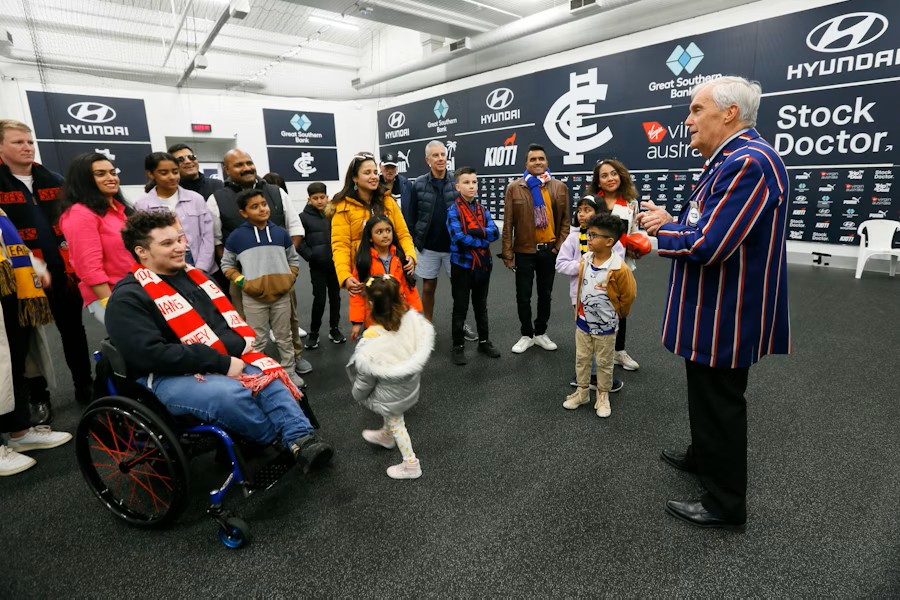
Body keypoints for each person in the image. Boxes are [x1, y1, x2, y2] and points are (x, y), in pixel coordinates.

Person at [637, 76, 790, 530]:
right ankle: (703, 456)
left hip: (727, 312)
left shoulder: (749, 162)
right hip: (711, 308)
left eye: (696, 109)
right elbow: (706, 220)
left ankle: (725, 502)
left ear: (729, 114)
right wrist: (673, 219)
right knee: (702, 390)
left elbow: (711, 244)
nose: (687, 120)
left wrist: (655, 232)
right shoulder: (731, 159)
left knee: (720, 400)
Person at [105, 211, 333, 470]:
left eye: (180, 239)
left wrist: (231, 359)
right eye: (167, 244)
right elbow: (149, 355)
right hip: (164, 376)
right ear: (142, 252)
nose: (180, 247)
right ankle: (274, 439)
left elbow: (227, 328)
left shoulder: (198, 278)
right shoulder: (127, 298)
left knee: (267, 374)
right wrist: (222, 363)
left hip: (222, 358)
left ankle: (301, 440)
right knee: (231, 395)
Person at [0, 119, 93, 419]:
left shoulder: (53, 179)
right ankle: (38, 398)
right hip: (21, 278)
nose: (27, 147)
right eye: (18, 142)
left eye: (29, 141)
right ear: (1, 147)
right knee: (28, 340)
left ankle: (84, 385)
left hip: (63, 273)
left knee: (74, 331)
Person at [207, 149, 310, 375]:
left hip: (280, 278)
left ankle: (295, 359)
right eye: (238, 165)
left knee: (289, 325)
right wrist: (242, 279)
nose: (246, 168)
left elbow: (295, 229)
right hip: (246, 283)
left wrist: (286, 274)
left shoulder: (275, 192)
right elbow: (217, 242)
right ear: (227, 170)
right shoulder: (217, 199)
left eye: (249, 162)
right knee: (250, 330)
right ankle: (256, 370)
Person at [0, 208, 72, 476]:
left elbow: (11, 243)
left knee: (12, 365)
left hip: (11, 292)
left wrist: (36, 267)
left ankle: (19, 432)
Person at [346, 275, 435, 480]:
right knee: (393, 417)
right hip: (407, 385)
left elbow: (366, 378)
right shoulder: (409, 321)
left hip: (391, 392)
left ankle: (411, 464)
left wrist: (358, 394)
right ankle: (387, 435)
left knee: (397, 423)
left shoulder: (372, 339)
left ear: (370, 304)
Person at [221, 189, 304, 387]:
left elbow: (293, 258)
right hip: (253, 298)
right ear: (243, 212)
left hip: (281, 296)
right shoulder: (237, 237)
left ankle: (289, 373)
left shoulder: (280, 233)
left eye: (264, 204)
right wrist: (244, 283)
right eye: (254, 206)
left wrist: (288, 278)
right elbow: (227, 265)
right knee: (257, 340)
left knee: (285, 337)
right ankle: (262, 374)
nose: (262, 209)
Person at [562, 214, 636, 418]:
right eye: (588, 234)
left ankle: (603, 396)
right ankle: (582, 392)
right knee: (582, 360)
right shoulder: (585, 259)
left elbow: (628, 295)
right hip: (583, 324)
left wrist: (617, 315)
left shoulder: (619, 268)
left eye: (593, 235)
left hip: (606, 327)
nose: (589, 238)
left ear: (609, 241)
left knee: (604, 363)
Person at [500, 143, 570, 354]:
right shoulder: (515, 188)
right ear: (526, 163)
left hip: (549, 251)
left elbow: (565, 222)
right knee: (523, 295)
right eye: (533, 159)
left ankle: (540, 333)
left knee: (545, 294)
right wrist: (507, 253)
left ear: (547, 162)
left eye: (541, 159)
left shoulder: (559, 187)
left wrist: (558, 248)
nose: (538, 162)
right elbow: (508, 223)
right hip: (524, 251)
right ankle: (526, 334)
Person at [404, 141, 476, 340]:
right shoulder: (417, 184)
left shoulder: (457, 182)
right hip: (428, 246)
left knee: (459, 287)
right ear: (428, 160)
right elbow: (410, 217)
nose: (440, 158)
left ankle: (460, 323)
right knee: (428, 286)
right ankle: (427, 325)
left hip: (455, 247)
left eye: (443, 154)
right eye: (435, 155)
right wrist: (412, 242)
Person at [555, 196, 625, 393]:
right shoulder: (573, 237)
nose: (582, 214)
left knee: (603, 339)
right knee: (585, 338)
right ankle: (585, 377)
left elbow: (619, 261)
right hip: (580, 298)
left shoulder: (609, 237)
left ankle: (601, 377)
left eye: (587, 210)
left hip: (606, 299)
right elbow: (560, 263)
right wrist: (583, 266)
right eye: (580, 210)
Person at [58, 152, 134, 325]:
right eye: (101, 174)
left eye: (113, 173)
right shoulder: (79, 214)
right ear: (83, 180)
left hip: (137, 289)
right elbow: (88, 267)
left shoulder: (121, 210)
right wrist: (109, 303)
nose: (111, 178)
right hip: (113, 295)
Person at [331, 152, 415, 295]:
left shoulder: (388, 201)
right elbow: (340, 245)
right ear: (354, 178)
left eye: (375, 172)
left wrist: (410, 255)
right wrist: (345, 276)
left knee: (396, 314)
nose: (374, 176)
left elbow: (403, 234)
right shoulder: (342, 207)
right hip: (362, 276)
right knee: (366, 316)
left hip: (393, 272)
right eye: (367, 172)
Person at [591, 158, 643, 372]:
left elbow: (635, 232)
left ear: (620, 176)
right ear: (599, 182)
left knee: (620, 308)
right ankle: (596, 353)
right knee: (596, 308)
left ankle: (618, 351)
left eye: (613, 173)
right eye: (604, 175)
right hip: (596, 265)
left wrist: (637, 245)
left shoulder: (631, 203)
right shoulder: (593, 202)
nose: (610, 178)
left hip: (622, 266)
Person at [446, 166, 500, 365]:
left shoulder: (482, 209)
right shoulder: (452, 211)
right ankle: (458, 346)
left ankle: (484, 341)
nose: (471, 186)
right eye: (466, 182)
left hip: (483, 265)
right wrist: (482, 239)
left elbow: (495, 233)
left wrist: (476, 232)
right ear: (457, 186)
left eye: (474, 182)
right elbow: (459, 238)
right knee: (460, 306)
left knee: (481, 305)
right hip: (461, 265)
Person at [135, 152, 215, 274]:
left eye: (175, 171)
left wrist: (202, 267)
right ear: (150, 174)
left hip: (199, 260)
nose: (172, 177)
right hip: (165, 264)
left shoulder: (195, 199)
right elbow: (145, 242)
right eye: (164, 173)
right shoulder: (142, 205)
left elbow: (207, 235)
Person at [348, 215, 422, 340]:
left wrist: (417, 313)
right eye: (379, 232)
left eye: (388, 230)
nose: (385, 235)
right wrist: (357, 322)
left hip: (399, 316)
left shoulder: (400, 258)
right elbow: (357, 294)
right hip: (374, 319)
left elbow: (409, 287)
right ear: (370, 238)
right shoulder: (364, 262)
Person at [298, 182, 344, 349]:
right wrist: (311, 256)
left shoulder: (333, 213)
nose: (319, 201)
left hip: (335, 264)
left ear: (327, 197)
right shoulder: (302, 217)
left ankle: (334, 329)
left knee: (335, 298)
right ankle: (314, 333)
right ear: (309, 199)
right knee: (319, 299)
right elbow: (299, 241)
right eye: (315, 198)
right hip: (317, 266)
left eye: (322, 197)